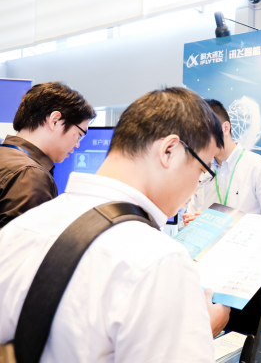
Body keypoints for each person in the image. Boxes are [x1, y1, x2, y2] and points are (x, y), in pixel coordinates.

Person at [0, 87, 230, 362]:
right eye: (202, 170)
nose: (196, 187)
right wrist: (199, 331)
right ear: (169, 150)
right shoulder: (160, 260)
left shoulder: (23, 227)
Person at [182, 98, 261, 336]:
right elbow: (188, 216)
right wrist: (192, 224)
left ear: (225, 128)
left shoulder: (259, 168)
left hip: (243, 283)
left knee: (242, 346)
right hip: (204, 281)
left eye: (205, 135)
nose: (200, 144)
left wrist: (228, 226)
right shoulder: (201, 171)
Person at [0, 82, 96, 229]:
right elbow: (26, 243)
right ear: (55, 120)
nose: (77, 144)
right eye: (80, 135)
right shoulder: (30, 175)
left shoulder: (6, 157)